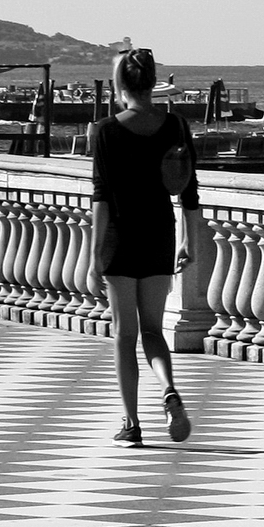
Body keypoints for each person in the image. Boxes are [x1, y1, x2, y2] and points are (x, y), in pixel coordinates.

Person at [88, 47, 198, 446]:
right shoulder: (175, 125)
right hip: (159, 234)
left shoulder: (105, 131)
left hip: (120, 238)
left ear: (120, 85)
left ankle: (132, 423)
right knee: (153, 330)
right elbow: (189, 191)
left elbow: (101, 197)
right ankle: (168, 387)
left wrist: (94, 255)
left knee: (124, 334)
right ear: (153, 83)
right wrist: (189, 240)